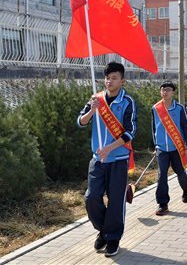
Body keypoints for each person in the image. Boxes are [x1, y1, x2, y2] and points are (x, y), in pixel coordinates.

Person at [77, 62, 137, 257]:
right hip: (98, 160)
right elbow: (81, 122)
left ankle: (113, 238)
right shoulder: (96, 99)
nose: (109, 81)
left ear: (122, 80)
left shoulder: (127, 101)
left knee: (116, 200)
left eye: (114, 78)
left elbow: (130, 132)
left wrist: (109, 148)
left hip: (118, 159)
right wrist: (92, 111)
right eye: (107, 78)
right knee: (91, 197)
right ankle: (103, 230)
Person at [152, 81, 187, 215]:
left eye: (168, 89)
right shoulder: (156, 108)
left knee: (180, 172)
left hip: (177, 148)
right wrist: (155, 145)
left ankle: (186, 188)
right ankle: (163, 204)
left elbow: (186, 128)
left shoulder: (179, 108)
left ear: (173, 92)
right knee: (161, 175)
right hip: (162, 149)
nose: (165, 92)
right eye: (163, 89)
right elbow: (154, 129)